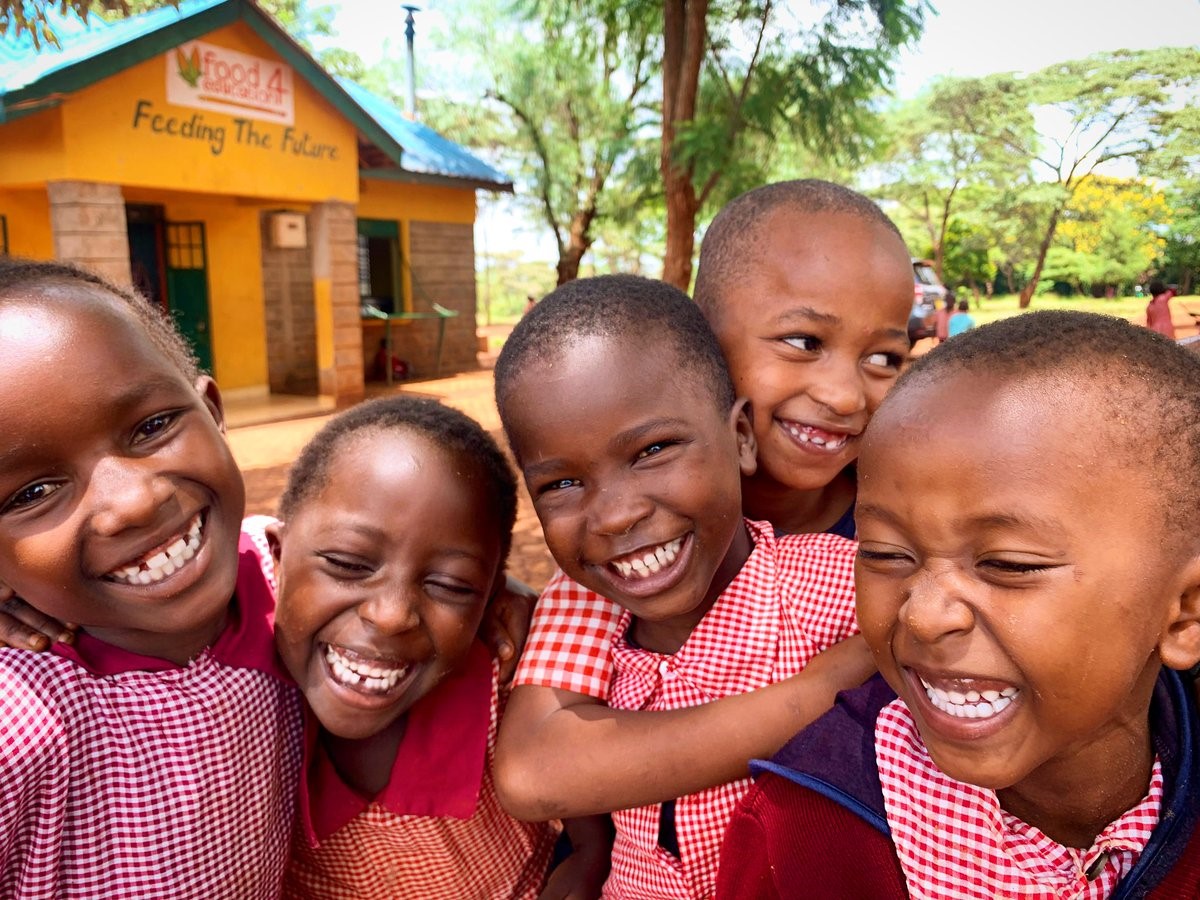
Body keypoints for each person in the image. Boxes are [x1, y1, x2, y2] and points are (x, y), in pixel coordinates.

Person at [495, 181, 911, 888]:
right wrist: (819, 689)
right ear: (706, 341)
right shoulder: (618, 562)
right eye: (804, 341)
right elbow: (537, 764)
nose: (846, 395)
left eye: (884, 359)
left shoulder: (896, 534)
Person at [716, 311, 1200, 898]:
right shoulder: (805, 832)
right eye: (885, 554)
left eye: (1008, 565)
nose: (922, 614)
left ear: (1183, 614)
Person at [0, 257, 304, 895]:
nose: (133, 502)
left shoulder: (297, 578)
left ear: (214, 411)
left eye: (153, 426)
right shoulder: (20, 720)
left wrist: (501, 606)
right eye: (32, 492)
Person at [266, 396, 607, 899]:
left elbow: (589, 832)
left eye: (450, 585)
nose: (391, 615)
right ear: (278, 556)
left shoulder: (505, 684)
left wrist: (587, 860)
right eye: (347, 563)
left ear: (492, 602)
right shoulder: (239, 688)